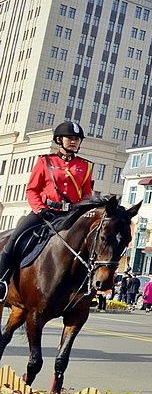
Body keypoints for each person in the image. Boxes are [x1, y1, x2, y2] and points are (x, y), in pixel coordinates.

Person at [0, 121, 93, 302]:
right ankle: (2, 280)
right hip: (44, 212)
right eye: (70, 138)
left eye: (77, 139)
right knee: (15, 240)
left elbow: (86, 195)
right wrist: (39, 209)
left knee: (90, 245)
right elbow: (32, 189)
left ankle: (85, 288)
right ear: (60, 139)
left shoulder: (85, 166)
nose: (74, 142)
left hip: (70, 215)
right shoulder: (45, 161)